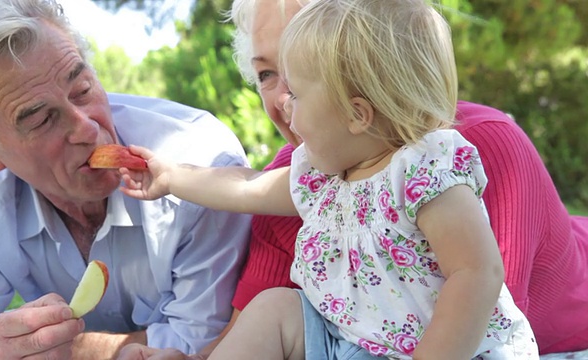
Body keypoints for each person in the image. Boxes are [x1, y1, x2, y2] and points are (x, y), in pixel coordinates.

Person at [117, 0, 588, 359]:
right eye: (266, 75)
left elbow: (478, 276)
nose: (281, 102)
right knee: (275, 309)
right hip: (361, 342)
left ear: (357, 110)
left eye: (296, 88)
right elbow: (246, 186)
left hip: (470, 344)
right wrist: (172, 176)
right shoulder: (318, 174)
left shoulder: (433, 169)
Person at [0, 0, 251, 359]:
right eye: (42, 120)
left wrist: (69, 349)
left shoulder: (200, 168)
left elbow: (203, 344)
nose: (87, 128)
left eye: (83, 91)